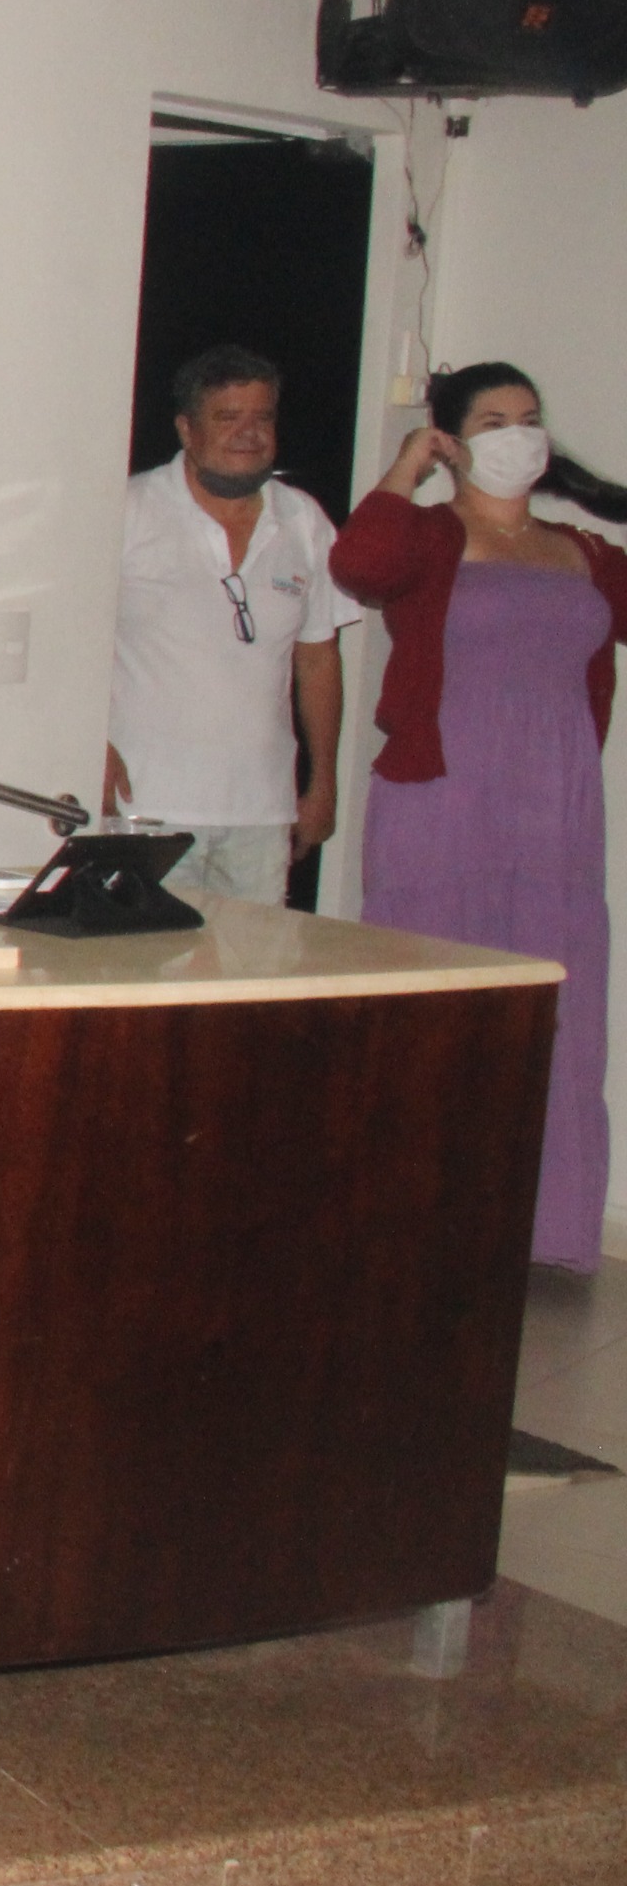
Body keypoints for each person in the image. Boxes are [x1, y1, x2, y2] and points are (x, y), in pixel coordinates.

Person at [331, 362, 627, 1274]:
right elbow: (360, 567)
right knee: (436, 1002)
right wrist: (405, 465)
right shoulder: (426, 535)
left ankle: (542, 1229)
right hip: (443, 797)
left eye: (529, 417)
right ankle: (417, 1226)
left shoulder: (583, 552)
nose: (518, 433)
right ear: (452, 440)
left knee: (554, 1015)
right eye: (493, 420)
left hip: (556, 815)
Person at [104, 344, 346, 901]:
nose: (248, 433)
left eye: (263, 417)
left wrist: (323, 783)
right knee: (148, 955)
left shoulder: (304, 520)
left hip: (262, 812)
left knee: (257, 956)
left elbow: (318, 658)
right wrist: (90, 749)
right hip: (146, 807)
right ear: (187, 430)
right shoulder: (129, 509)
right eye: (228, 417)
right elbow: (73, 640)